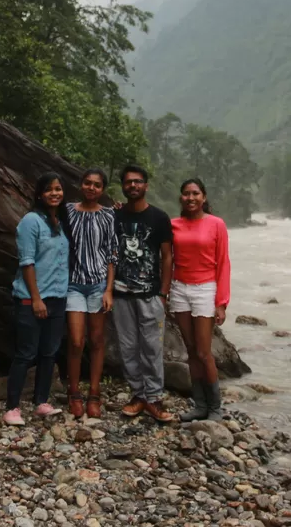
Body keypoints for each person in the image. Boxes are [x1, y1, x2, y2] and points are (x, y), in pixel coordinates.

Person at [3, 172, 69, 426]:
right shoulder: (31, 221)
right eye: (50, 189)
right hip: (32, 299)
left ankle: (41, 402)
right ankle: (12, 408)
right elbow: (27, 262)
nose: (55, 193)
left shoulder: (59, 221)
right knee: (25, 353)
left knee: (49, 353)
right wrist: (36, 298)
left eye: (59, 188)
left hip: (58, 297)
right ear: (40, 194)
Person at [112, 164, 175, 422]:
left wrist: (163, 293)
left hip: (151, 294)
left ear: (146, 186)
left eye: (138, 182)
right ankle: (138, 395)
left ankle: (154, 398)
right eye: (128, 182)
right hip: (121, 294)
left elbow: (168, 256)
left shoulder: (159, 218)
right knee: (128, 347)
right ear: (124, 187)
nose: (133, 186)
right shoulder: (115, 216)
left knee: (152, 348)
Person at [169, 179, 231, 421]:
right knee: (191, 350)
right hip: (179, 288)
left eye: (195, 193)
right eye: (186, 194)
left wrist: (221, 302)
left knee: (204, 352)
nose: (190, 198)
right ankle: (199, 405)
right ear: (181, 198)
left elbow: (223, 263)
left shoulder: (217, 224)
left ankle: (216, 407)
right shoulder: (173, 224)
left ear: (204, 197)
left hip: (205, 289)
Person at [64, 168, 117, 419]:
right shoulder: (67, 211)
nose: (92, 188)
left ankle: (94, 394)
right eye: (88, 183)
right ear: (80, 184)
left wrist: (108, 289)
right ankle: (73, 392)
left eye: (97, 185)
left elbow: (111, 253)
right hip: (72, 284)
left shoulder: (108, 215)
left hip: (97, 285)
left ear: (102, 190)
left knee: (96, 341)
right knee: (76, 341)